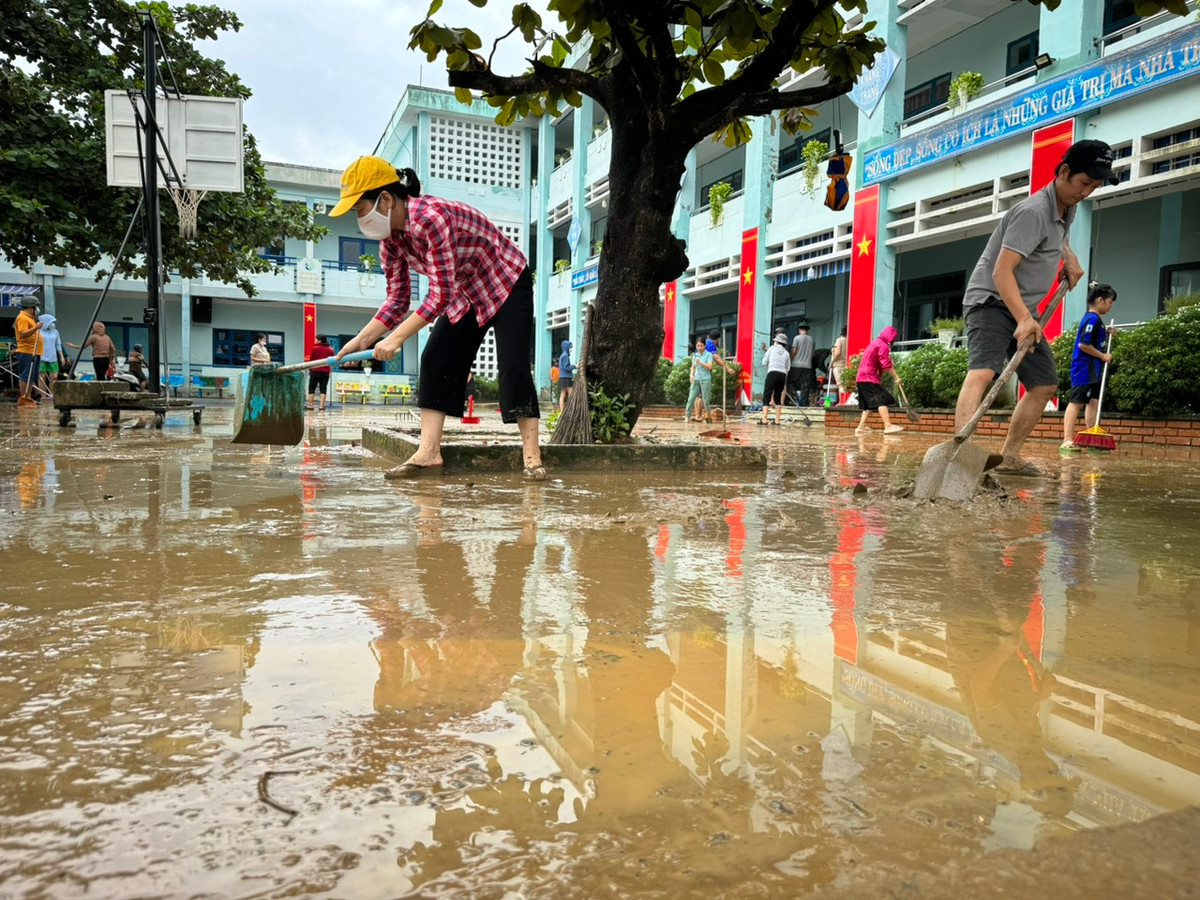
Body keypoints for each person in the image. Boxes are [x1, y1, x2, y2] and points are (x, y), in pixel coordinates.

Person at [329, 155, 544, 480]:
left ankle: (532, 457)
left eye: (360, 210)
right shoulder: (390, 243)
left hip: (505, 280)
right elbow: (397, 300)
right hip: (465, 290)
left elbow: (439, 295)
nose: (360, 220)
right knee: (435, 359)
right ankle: (429, 453)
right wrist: (360, 341)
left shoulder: (431, 218)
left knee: (513, 367)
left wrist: (397, 338)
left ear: (385, 199)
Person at [955, 139, 1113, 476]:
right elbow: (1001, 272)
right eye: (1085, 183)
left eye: (1095, 187)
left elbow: (1060, 236)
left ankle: (1008, 458)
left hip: (1024, 309)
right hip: (991, 301)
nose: (1087, 192)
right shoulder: (1033, 212)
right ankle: (960, 458)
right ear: (1065, 172)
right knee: (984, 371)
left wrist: (1067, 256)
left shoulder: (1065, 207)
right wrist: (1025, 318)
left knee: (1043, 383)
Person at [1061, 283, 1116, 451]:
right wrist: (1102, 355)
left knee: (1093, 402)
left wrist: (1106, 332)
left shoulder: (1096, 321)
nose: (1110, 306)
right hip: (1084, 369)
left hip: (1094, 370)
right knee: (1076, 402)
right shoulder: (1091, 319)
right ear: (1100, 300)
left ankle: (1091, 434)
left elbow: (1091, 339)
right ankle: (1067, 439)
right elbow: (1083, 345)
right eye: (1110, 302)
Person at [854, 325, 905, 434]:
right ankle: (888, 426)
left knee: (868, 404)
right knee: (881, 399)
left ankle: (861, 426)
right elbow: (885, 365)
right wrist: (896, 377)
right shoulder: (882, 345)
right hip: (868, 377)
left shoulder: (875, 342)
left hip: (861, 377)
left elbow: (881, 362)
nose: (892, 341)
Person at [12, 296, 43, 407]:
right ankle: (24, 397)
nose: (37, 309)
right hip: (27, 351)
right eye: (36, 306)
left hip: (34, 351)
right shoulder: (22, 318)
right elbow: (23, 333)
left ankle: (28, 397)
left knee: (32, 376)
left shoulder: (30, 318)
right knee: (25, 375)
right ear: (31, 307)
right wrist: (36, 328)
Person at [759, 333, 791, 426]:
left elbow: (764, 362)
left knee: (767, 395)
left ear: (777, 342)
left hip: (772, 372)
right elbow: (788, 368)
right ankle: (777, 420)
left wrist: (770, 367)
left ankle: (764, 419)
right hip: (782, 375)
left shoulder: (771, 349)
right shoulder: (786, 353)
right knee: (778, 396)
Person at [38, 313, 69, 398]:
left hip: (53, 358)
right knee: (42, 377)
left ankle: (52, 395)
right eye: (51, 322)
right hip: (41, 357)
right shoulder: (38, 331)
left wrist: (62, 357)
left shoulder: (55, 332)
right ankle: (43, 396)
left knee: (54, 377)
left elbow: (58, 345)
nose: (52, 324)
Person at [685, 336, 713, 423]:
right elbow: (693, 367)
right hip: (696, 379)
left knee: (705, 400)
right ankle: (687, 416)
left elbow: (710, 367)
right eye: (698, 346)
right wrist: (691, 375)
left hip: (705, 379)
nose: (699, 348)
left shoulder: (709, 355)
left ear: (704, 346)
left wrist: (700, 363)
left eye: (701, 346)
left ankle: (708, 417)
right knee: (691, 398)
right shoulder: (695, 355)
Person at [306, 334, 336, 412]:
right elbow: (332, 360)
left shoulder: (315, 349)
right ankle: (321, 406)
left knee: (312, 388)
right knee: (323, 389)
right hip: (325, 372)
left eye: (316, 339)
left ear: (319, 340)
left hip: (315, 371)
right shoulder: (330, 350)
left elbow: (311, 361)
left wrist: (310, 370)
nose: (315, 341)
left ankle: (310, 405)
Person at [790, 322, 815, 406]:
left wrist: (790, 359)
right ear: (807, 330)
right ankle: (803, 402)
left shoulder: (796, 338)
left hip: (795, 365)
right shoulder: (812, 339)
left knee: (790, 382)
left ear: (799, 330)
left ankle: (794, 399)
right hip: (807, 365)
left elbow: (794, 351)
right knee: (805, 385)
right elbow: (813, 353)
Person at [829, 326, 848, 396]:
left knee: (840, 385)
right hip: (846, 364)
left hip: (838, 365)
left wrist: (831, 362)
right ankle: (845, 401)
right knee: (845, 385)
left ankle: (841, 402)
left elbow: (837, 353)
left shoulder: (839, 340)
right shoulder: (849, 341)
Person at [557, 339, 576, 413]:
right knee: (571, 394)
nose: (571, 349)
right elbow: (566, 367)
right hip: (567, 378)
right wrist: (575, 366)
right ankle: (571, 410)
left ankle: (562, 412)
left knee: (563, 394)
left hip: (562, 377)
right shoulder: (565, 356)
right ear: (566, 347)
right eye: (570, 347)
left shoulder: (562, 355)